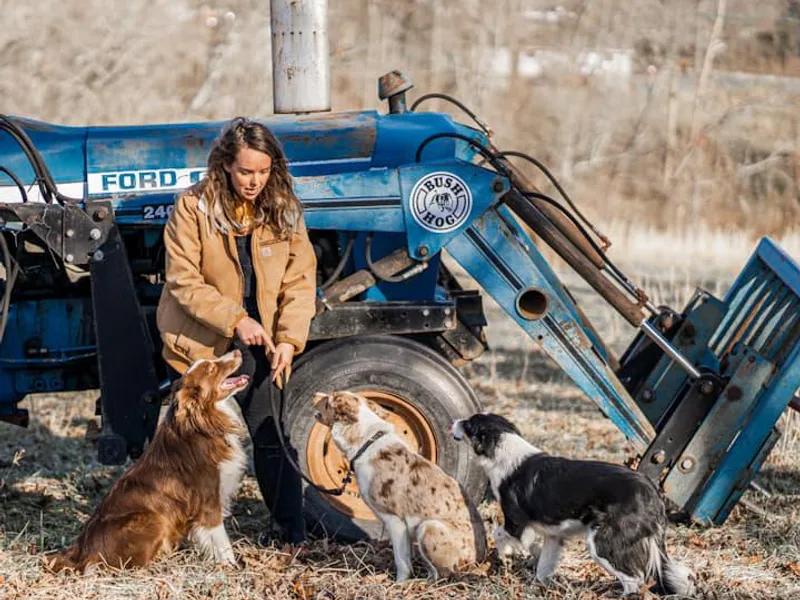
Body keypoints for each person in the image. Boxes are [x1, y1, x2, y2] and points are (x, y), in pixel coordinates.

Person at [156, 117, 317, 545]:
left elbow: (300, 281)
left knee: (270, 430)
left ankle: (290, 535)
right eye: (246, 171)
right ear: (226, 164)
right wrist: (236, 319)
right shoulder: (193, 207)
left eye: (263, 172)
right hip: (204, 342)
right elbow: (184, 282)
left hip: (260, 340)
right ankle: (186, 529)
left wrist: (288, 338)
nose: (254, 181)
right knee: (194, 444)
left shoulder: (283, 207)